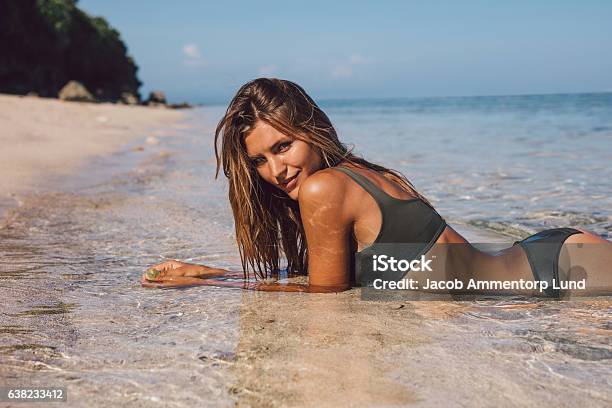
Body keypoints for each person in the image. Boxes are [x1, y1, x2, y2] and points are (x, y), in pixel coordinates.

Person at [141, 78, 612, 297]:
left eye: (283, 147)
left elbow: (326, 296)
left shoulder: (324, 188)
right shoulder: (357, 173)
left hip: (557, 277)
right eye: (259, 161)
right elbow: (327, 279)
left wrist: (211, 284)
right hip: (555, 255)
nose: (275, 170)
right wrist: (215, 272)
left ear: (311, 128)